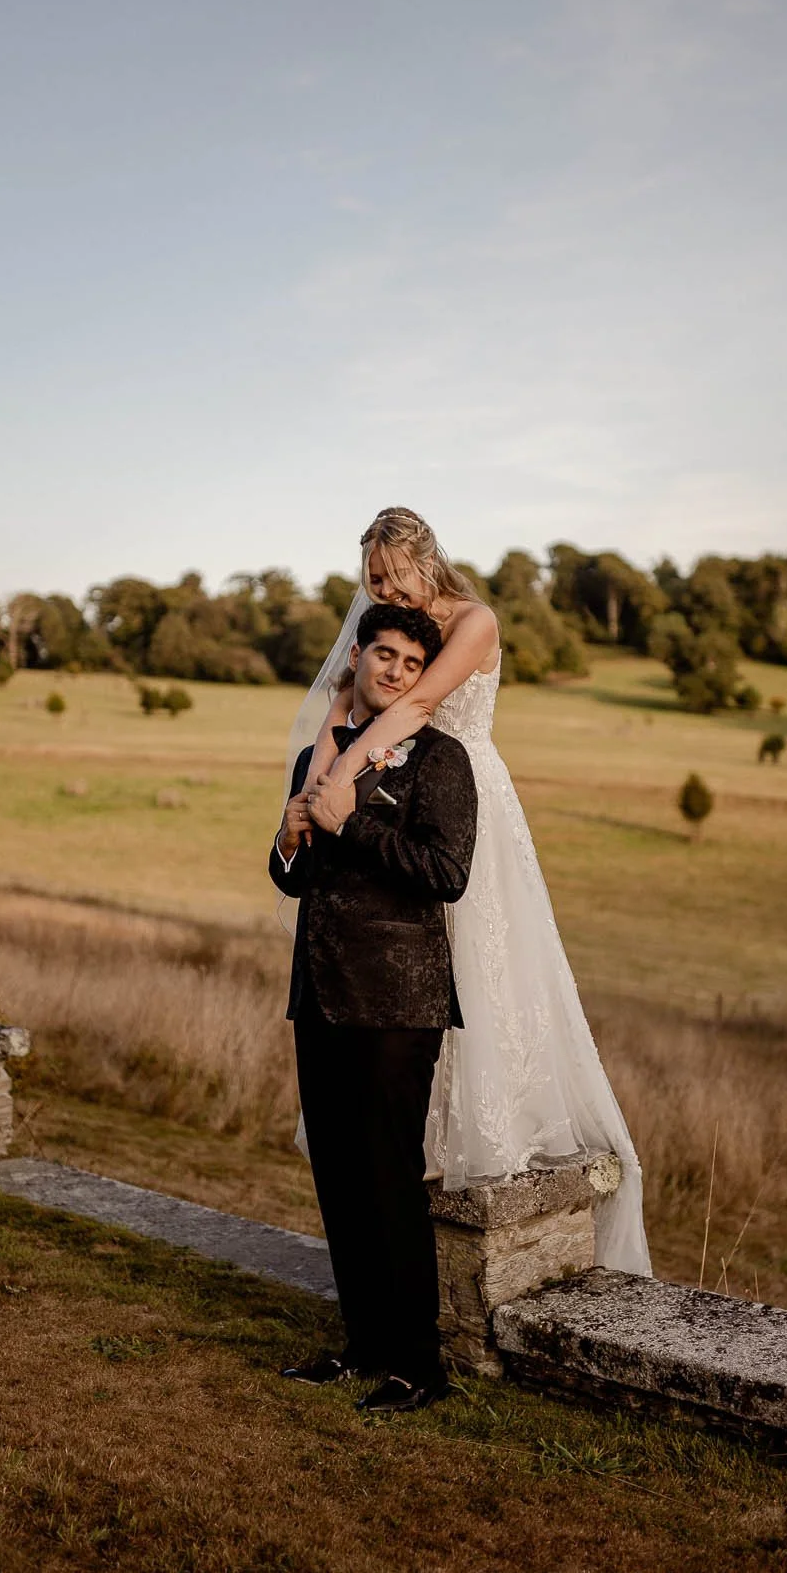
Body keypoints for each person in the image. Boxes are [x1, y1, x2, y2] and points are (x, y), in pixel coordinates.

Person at [286, 507, 651, 1278]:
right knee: (401, 959)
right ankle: (414, 1129)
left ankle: (491, 1125)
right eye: (372, 581)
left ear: (424, 558)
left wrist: (342, 784)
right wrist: (323, 783)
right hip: (387, 788)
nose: (381, 589)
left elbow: (416, 708)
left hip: (457, 788)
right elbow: (339, 710)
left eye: (390, 575)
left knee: (482, 958)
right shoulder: (388, 632)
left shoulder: (473, 621)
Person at [271, 601, 478, 1413]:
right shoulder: (314, 759)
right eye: (382, 655)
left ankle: (418, 1366)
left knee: (390, 1178)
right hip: (318, 992)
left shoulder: (439, 760)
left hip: (399, 1000)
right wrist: (290, 840)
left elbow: (445, 873)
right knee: (339, 1177)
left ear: (422, 679)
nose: (393, 671)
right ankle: (362, 1347)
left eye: (410, 665)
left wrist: (352, 826)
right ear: (355, 657)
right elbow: (293, 877)